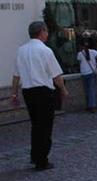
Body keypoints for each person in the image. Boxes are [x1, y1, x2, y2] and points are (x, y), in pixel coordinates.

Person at [11, 21, 69, 171]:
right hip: (43, 91)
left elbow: (16, 75)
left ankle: (35, 155)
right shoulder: (46, 51)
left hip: (28, 91)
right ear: (41, 32)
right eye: (47, 31)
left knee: (36, 125)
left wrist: (14, 93)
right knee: (45, 127)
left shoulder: (21, 50)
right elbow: (56, 75)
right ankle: (41, 159)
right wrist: (63, 90)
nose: (48, 34)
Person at [76, 39, 97, 113]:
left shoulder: (79, 54)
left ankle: (88, 105)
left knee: (86, 90)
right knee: (91, 89)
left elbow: (79, 64)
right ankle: (92, 105)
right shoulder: (93, 52)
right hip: (91, 72)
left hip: (84, 73)